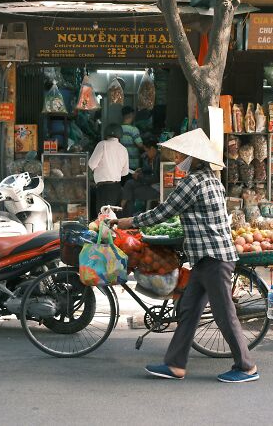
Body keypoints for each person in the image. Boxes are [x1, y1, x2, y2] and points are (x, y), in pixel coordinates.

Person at [112, 129, 258, 383]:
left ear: (194, 158)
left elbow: (164, 212)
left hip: (214, 259)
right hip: (206, 258)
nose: (178, 157)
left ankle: (246, 367)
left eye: (182, 154)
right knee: (189, 310)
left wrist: (128, 221)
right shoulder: (212, 180)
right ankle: (176, 364)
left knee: (224, 314)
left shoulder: (193, 183)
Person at [88, 124, 129, 214]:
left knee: (103, 217)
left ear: (106, 134)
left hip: (104, 188)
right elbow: (125, 172)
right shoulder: (124, 149)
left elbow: (91, 164)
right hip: (117, 187)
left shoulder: (102, 144)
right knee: (114, 218)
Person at [121, 139, 160, 215]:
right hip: (147, 183)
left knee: (132, 192)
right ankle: (123, 211)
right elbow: (149, 171)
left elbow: (155, 178)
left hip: (155, 188)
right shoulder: (147, 157)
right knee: (129, 183)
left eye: (147, 151)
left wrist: (139, 177)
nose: (146, 153)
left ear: (152, 149)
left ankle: (125, 213)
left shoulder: (159, 158)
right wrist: (141, 170)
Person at [120, 106, 145, 172]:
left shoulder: (118, 129)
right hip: (132, 164)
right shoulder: (133, 130)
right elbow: (140, 145)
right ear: (132, 114)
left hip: (121, 163)